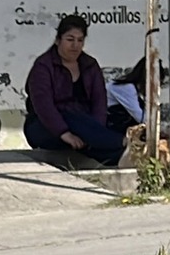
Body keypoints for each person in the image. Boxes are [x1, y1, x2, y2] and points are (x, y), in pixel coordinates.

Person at [23, 14, 125, 167]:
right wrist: (65, 134)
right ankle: (123, 142)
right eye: (70, 40)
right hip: (46, 127)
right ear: (58, 40)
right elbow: (43, 106)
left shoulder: (90, 65)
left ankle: (121, 152)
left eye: (80, 40)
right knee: (71, 116)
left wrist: (93, 131)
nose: (75, 45)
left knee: (108, 148)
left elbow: (99, 102)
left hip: (85, 128)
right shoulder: (43, 66)